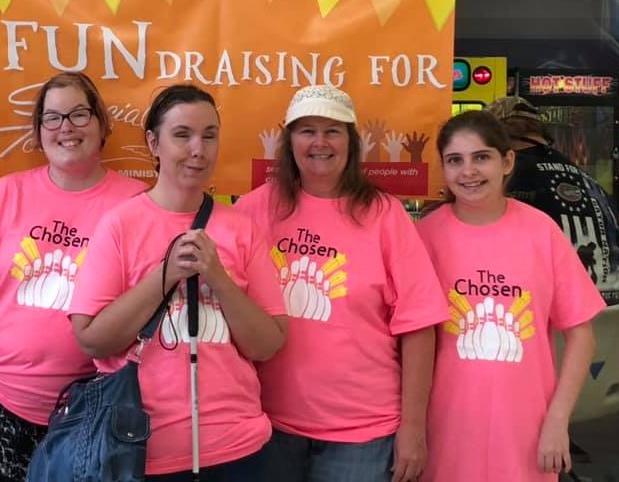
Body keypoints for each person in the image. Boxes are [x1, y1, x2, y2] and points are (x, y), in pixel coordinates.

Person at [69, 84, 287, 481]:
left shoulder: (242, 229)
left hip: (238, 447)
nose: (197, 150)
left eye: (209, 135)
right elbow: (91, 340)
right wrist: (164, 274)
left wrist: (219, 279)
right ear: (154, 143)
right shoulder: (120, 225)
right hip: (140, 448)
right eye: (182, 135)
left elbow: (269, 344)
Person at [234, 84, 446, 482]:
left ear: (352, 140)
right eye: (307, 130)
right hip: (267, 425)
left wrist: (413, 429)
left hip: (363, 435)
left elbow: (419, 326)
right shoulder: (251, 211)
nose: (320, 142)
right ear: (289, 140)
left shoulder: (385, 215)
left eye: (333, 130)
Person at [0, 71, 147, 482]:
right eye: (52, 118)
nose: (66, 128)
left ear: (102, 124)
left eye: (79, 114)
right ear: (38, 132)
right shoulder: (5, 194)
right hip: (8, 400)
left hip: (99, 404)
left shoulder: (135, 203)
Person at [417, 110, 601, 481]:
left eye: (481, 157)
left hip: (527, 427)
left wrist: (558, 419)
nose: (468, 172)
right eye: (455, 160)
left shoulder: (541, 232)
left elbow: (582, 336)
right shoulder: (425, 237)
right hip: (445, 425)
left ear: (507, 161)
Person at [484, 96, 619, 303]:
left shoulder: (506, 178)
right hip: (610, 318)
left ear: (497, 138)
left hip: (554, 319)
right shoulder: (588, 180)